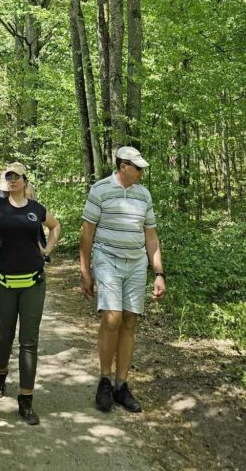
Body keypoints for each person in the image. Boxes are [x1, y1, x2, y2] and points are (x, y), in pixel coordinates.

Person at [0, 161, 61, 426]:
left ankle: (26, 399)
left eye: (16, 177)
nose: (12, 181)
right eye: (8, 177)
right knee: (4, 334)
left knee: (29, 341)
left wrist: (48, 249)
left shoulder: (36, 209)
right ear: (4, 181)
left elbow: (55, 226)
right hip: (5, 283)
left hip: (33, 282)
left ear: (24, 180)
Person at [79, 145, 166, 415]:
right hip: (107, 260)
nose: (141, 172)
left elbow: (150, 236)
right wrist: (85, 271)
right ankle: (104, 380)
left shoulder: (143, 195)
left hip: (136, 263)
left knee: (129, 319)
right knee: (112, 317)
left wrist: (159, 273)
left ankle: (121, 385)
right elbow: (87, 233)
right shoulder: (101, 190)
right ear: (123, 166)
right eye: (137, 167)